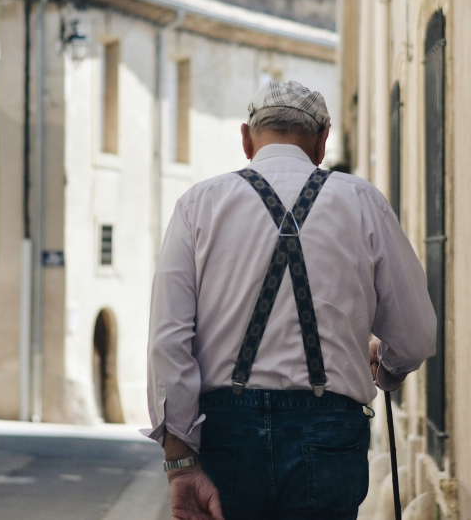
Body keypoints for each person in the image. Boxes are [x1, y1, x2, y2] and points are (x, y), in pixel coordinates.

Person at [143, 80, 437, 520]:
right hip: (330, 433)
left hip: (227, 435)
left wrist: (180, 462)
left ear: (246, 139)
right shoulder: (362, 201)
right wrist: (387, 368)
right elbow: (415, 337)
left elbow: (168, 342)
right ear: (322, 142)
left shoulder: (197, 205)